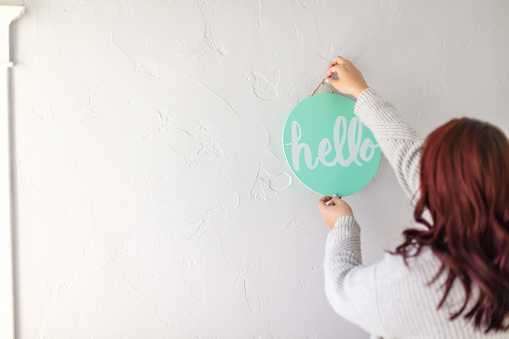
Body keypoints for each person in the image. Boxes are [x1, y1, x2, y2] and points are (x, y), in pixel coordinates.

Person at [318, 56, 509, 338]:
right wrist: (363, 94)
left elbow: (343, 290)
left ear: (439, 185)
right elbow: (410, 156)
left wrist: (343, 227)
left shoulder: (414, 281)